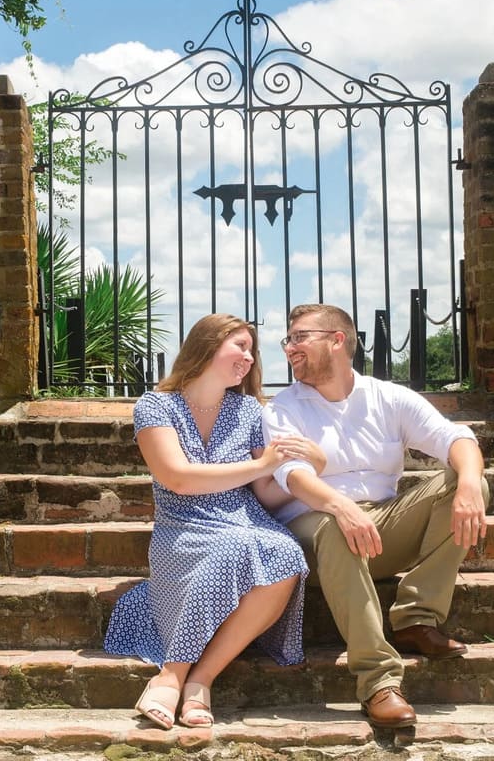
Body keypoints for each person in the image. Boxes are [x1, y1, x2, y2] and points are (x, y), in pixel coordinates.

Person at [261, 303, 488, 730]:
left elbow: (453, 436)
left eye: (299, 337)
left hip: (379, 526)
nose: (289, 348)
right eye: (287, 340)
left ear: (337, 339)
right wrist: (341, 506)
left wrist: (472, 483)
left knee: (464, 480)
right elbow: (292, 476)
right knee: (334, 524)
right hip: (314, 533)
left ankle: (416, 618)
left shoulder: (388, 397)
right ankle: (379, 682)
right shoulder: (283, 408)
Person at [104, 313, 323, 730]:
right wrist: (259, 464)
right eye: (240, 346)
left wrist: (309, 468)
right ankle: (174, 675)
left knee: (286, 552)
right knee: (242, 546)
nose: (249, 357)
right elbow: (178, 478)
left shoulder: (248, 410)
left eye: (252, 350)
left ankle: (194, 679)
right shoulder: (155, 406)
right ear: (206, 345)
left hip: (243, 519)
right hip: (182, 527)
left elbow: (264, 493)